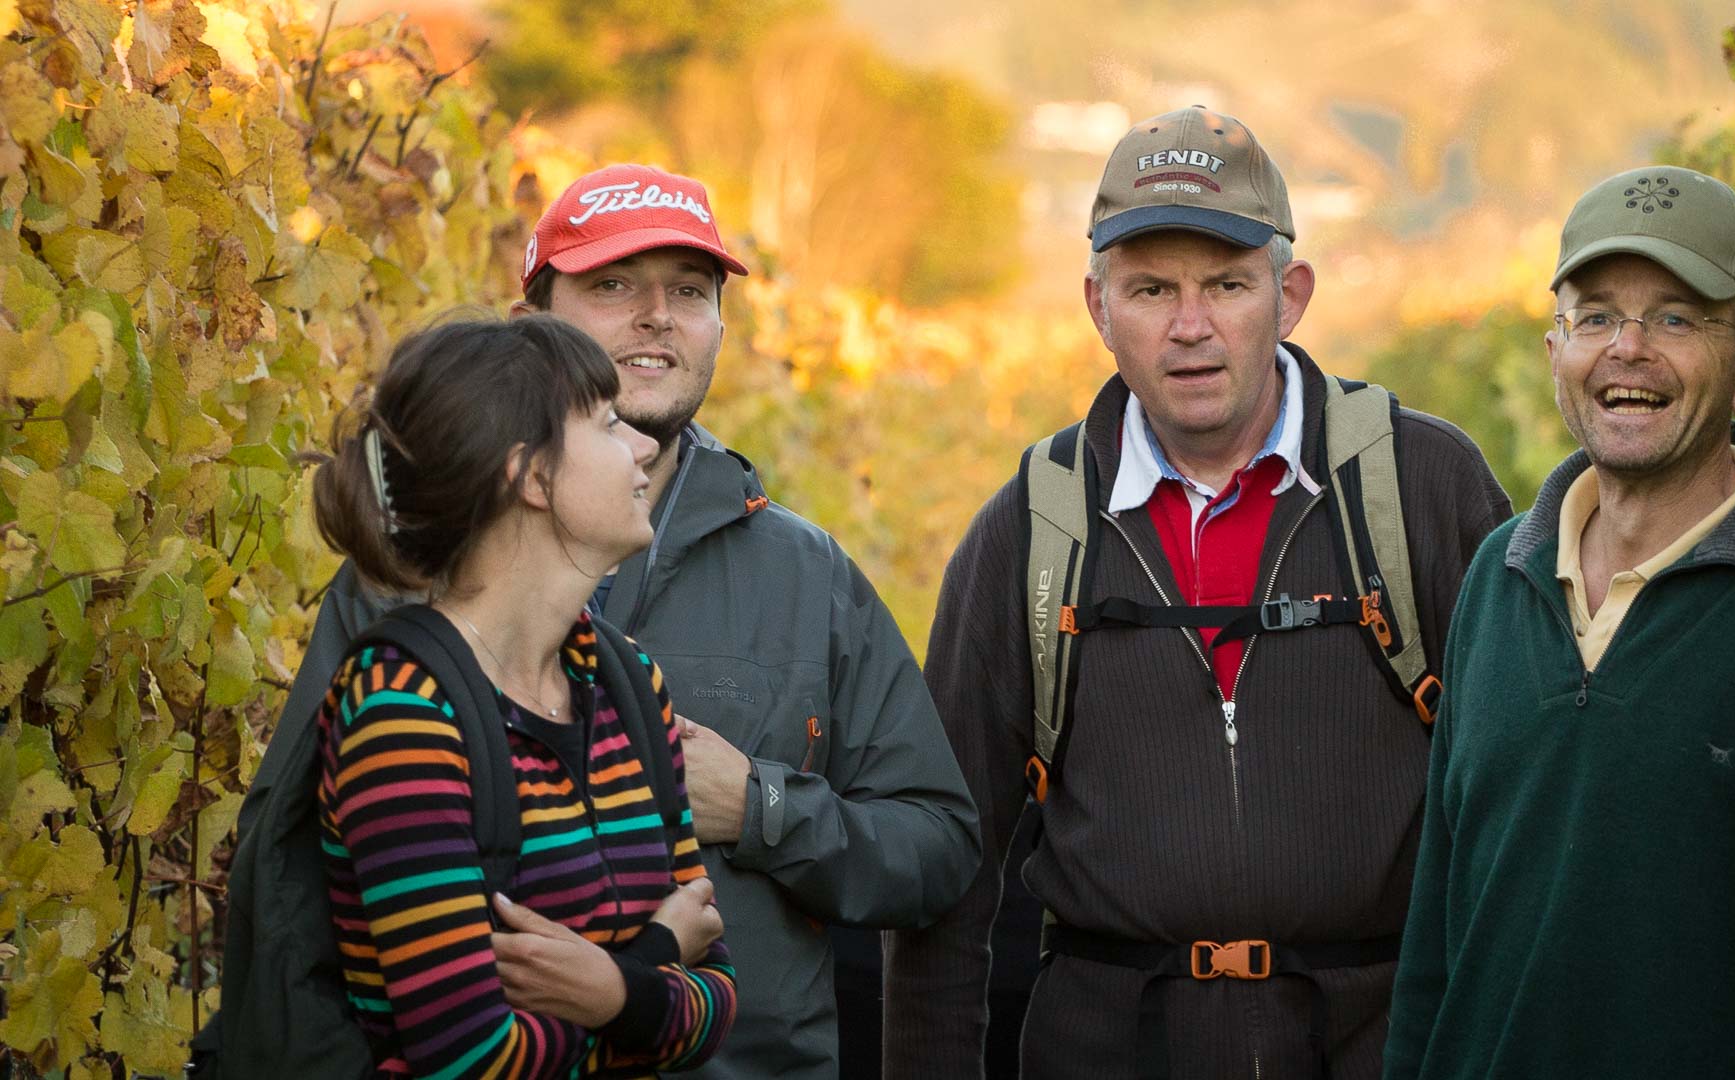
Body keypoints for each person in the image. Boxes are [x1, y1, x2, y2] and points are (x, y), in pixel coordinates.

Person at [254, 165, 980, 1079]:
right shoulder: (400, 588)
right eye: (610, 286)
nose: (656, 316)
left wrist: (763, 810)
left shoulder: (805, 577)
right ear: (532, 330)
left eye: (689, 291)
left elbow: (939, 847)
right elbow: (293, 888)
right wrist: (634, 986)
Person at [883, 106, 1511, 1079]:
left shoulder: (1420, 486)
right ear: (1098, 308)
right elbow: (948, 868)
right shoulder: (1032, 529)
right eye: (1150, 289)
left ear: (1290, 295)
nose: (1190, 326)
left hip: (1384, 1048)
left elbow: (1523, 808)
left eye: (1226, 284)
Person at [1382, 166, 1735, 1077]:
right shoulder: (1499, 576)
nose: (1628, 349)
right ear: (1556, 350)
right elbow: (1440, 923)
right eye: (1595, 316)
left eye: (1675, 317)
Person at [308, 315, 735, 1075]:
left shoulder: (630, 685)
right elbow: (469, 1058)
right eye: (606, 423)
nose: (642, 444)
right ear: (530, 477)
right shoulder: (403, 713)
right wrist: (646, 970)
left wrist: (612, 989)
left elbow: (720, 996)